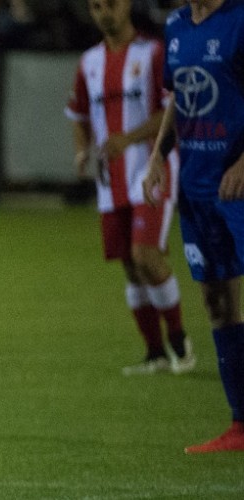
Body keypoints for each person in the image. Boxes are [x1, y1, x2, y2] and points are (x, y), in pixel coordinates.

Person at [66, 0, 192, 376]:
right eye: (96, 6)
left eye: (111, 3)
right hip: (112, 179)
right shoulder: (89, 62)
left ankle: (180, 341)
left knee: (145, 255)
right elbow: (77, 113)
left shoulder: (152, 52)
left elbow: (171, 109)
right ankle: (155, 354)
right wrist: (82, 151)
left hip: (153, 170)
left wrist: (128, 138)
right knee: (129, 264)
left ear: (127, 5)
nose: (105, 12)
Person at [143, 0, 244, 453]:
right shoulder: (177, 25)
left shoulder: (240, 19)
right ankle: (241, 424)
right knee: (217, 301)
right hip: (197, 188)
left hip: (238, 185)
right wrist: (158, 156)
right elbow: (179, 97)